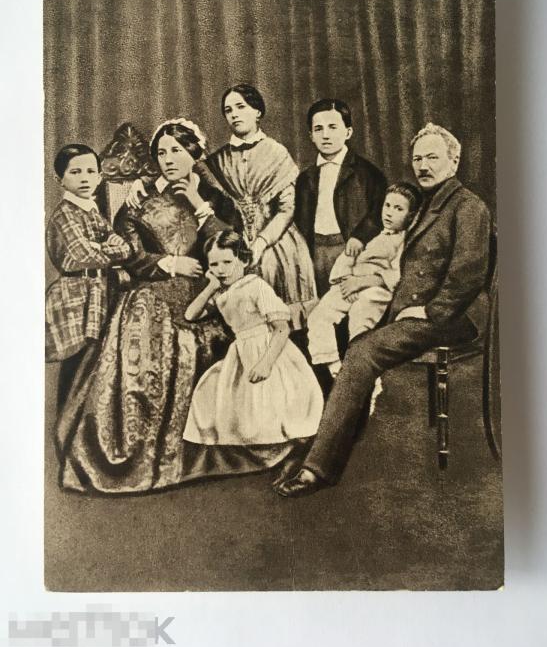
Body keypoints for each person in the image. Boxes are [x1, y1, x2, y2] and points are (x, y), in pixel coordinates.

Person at [56, 118, 293, 494]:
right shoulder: (139, 198)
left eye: (177, 151)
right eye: (162, 152)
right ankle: (136, 454)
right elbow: (128, 252)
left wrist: (199, 205)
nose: (168, 159)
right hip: (152, 289)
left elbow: (234, 249)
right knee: (145, 339)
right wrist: (168, 264)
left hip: (205, 290)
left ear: (194, 154)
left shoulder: (214, 198)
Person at [275, 123, 492, 497]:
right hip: (412, 309)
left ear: (454, 161)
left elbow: (468, 273)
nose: (423, 165)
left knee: (361, 351)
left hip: (451, 318)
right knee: (338, 331)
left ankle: (317, 467)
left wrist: (430, 311)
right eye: (418, 158)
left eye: (433, 158)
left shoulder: (468, 207)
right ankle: (327, 437)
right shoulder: (426, 203)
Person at [126, 85, 317, 329]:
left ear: (258, 111)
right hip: (232, 238)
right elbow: (181, 163)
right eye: (228, 110)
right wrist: (141, 181)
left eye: (241, 107)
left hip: (274, 241)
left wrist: (260, 243)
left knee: (276, 301)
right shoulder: (217, 159)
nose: (235, 114)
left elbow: (287, 209)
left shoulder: (277, 152)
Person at [182, 230, 323, 453]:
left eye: (227, 262)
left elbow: (282, 328)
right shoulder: (222, 294)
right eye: (214, 264)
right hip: (241, 351)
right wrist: (211, 286)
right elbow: (190, 315)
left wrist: (265, 363)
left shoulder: (256, 286)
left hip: (268, 349)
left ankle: (278, 449)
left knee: (270, 402)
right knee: (217, 394)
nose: (221, 270)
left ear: (244, 260)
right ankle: (248, 450)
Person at [307, 182, 421, 380]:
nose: (389, 213)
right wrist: (347, 281)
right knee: (320, 314)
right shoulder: (372, 233)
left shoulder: (405, 241)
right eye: (387, 205)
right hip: (351, 283)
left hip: (378, 288)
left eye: (398, 209)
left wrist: (361, 283)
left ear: (411, 216)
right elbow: (347, 258)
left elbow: (398, 275)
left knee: (361, 316)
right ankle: (334, 365)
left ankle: (362, 371)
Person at [45, 143, 131, 405]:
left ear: (99, 177)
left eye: (90, 172)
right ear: (59, 179)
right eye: (75, 172)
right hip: (75, 297)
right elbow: (83, 255)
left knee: (93, 365)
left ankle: (81, 423)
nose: (84, 178)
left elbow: (125, 248)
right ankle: (66, 424)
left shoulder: (92, 210)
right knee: (75, 365)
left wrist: (102, 246)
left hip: (98, 292)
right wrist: (105, 248)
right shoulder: (64, 214)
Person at [294, 99, 387, 296]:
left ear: (348, 132)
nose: (325, 135)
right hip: (315, 251)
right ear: (311, 136)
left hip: (351, 251)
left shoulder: (368, 174)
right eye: (318, 129)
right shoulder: (305, 178)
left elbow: (379, 212)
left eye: (333, 127)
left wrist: (360, 237)